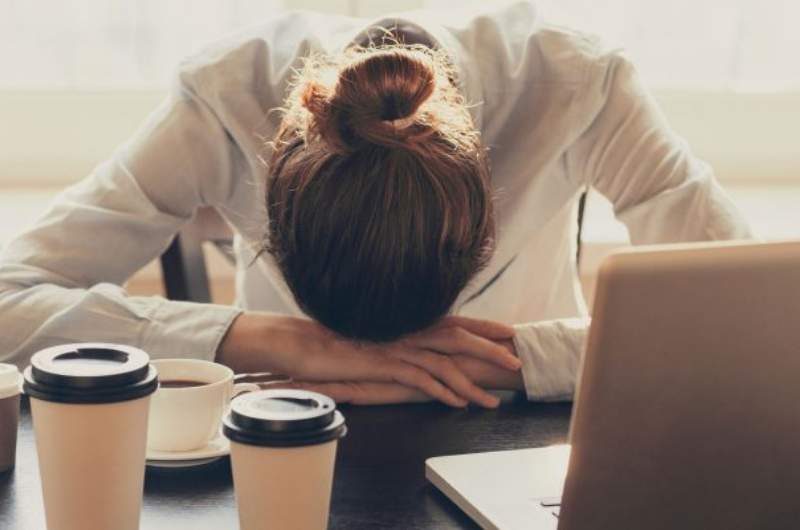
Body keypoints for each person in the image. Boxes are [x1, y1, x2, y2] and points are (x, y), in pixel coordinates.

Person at [0, 2, 750, 407]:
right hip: (290, 419)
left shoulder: (579, 84)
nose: (393, 360)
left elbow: (756, 313)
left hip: (514, 429)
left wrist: (522, 360)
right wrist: (269, 339)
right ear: (276, 199)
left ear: (485, 205)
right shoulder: (228, 93)